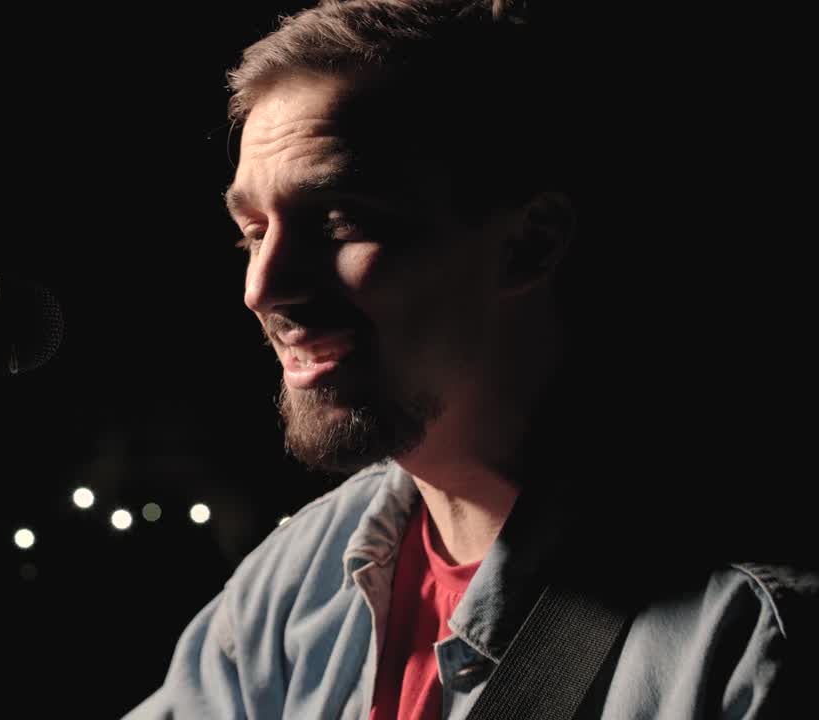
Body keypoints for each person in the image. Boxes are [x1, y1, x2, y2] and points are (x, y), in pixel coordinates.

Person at [124, 1, 813, 718]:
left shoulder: (746, 637)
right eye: (253, 232)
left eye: (340, 221)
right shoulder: (294, 587)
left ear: (529, 243)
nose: (263, 288)